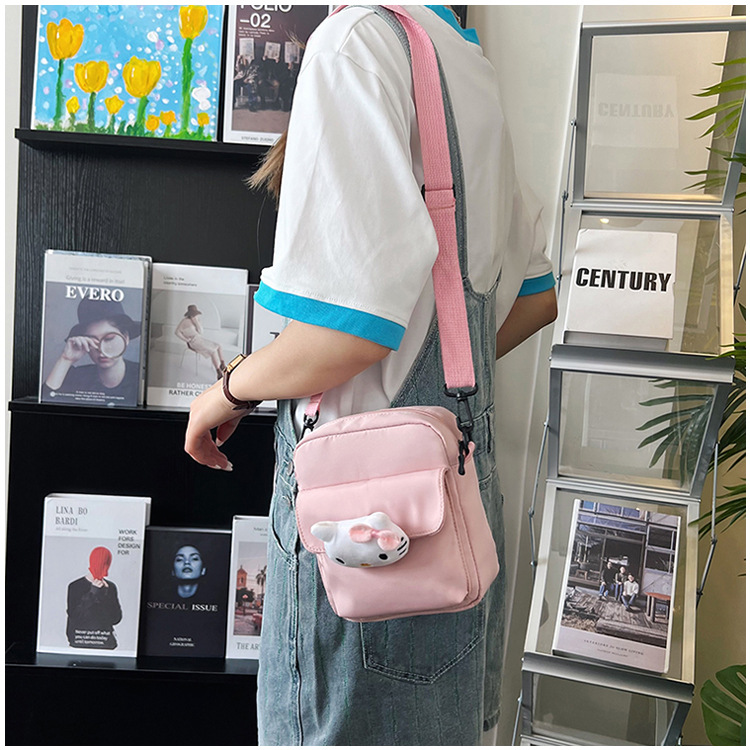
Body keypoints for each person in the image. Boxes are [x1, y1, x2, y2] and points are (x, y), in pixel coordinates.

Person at [184, 5, 556, 745]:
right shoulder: (461, 58)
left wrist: (225, 390)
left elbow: (345, 333)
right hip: (460, 501)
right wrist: (435, 384)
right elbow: (534, 299)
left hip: (361, 519)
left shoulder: (352, 44)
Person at [43, 298, 141, 405]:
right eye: (92, 341)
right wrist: (65, 359)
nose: (101, 349)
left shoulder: (139, 375)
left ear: (125, 338)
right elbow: (44, 405)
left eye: (109, 339)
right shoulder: (75, 376)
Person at [66, 547, 123, 650]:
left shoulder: (110, 587)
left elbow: (116, 619)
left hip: (105, 644)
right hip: (80, 643)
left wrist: (106, 596)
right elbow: (75, 616)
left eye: (106, 563)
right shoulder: (75, 586)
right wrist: (93, 593)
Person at [174, 304, 226, 380]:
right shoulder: (184, 321)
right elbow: (177, 332)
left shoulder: (197, 320)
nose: (194, 316)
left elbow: (201, 332)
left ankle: (222, 364)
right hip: (193, 342)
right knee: (213, 351)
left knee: (219, 345)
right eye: (192, 314)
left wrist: (196, 322)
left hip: (200, 339)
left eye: (194, 314)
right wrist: (187, 340)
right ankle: (218, 371)